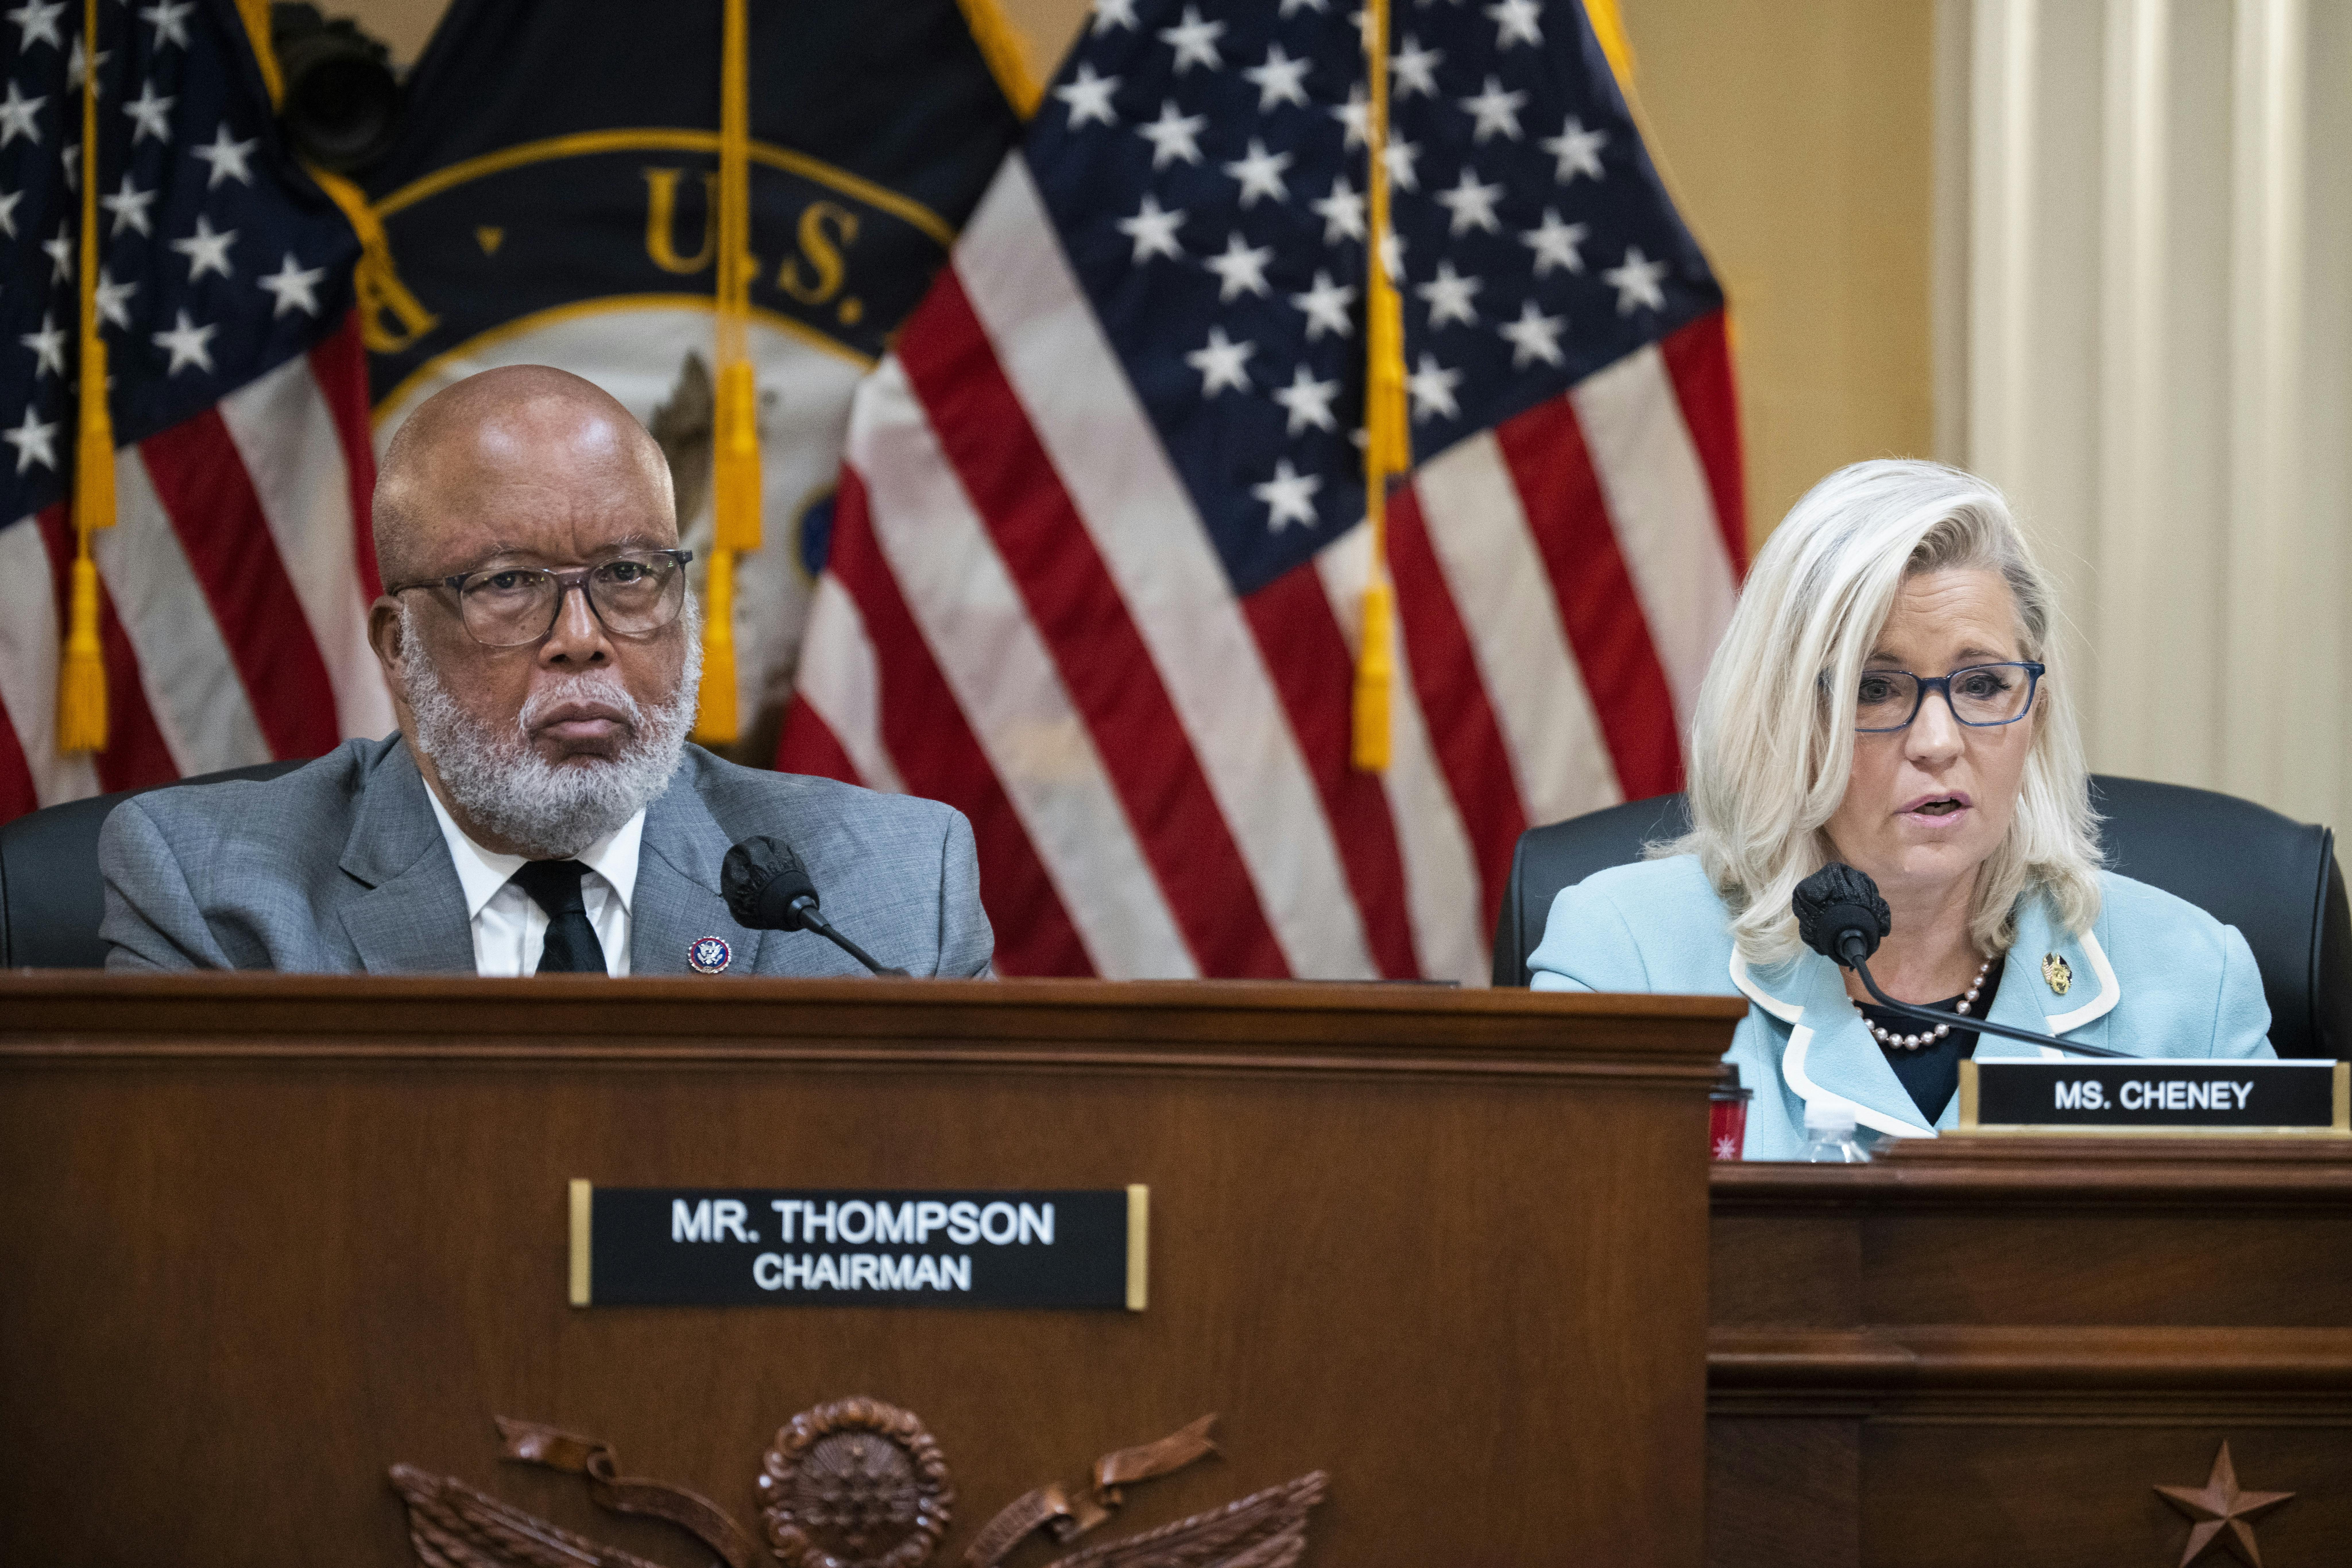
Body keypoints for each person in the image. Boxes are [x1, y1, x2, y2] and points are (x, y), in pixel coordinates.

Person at [100, 366, 994, 978]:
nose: (581, 639)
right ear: (399, 651)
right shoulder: (217, 900)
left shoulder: (892, 896)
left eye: (629, 575)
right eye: (508, 586)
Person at [1528, 460, 2271, 1157]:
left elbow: (2274, 1278)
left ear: (2035, 713)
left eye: (1982, 685)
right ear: (1786, 718)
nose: (1939, 743)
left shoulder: (2194, 985)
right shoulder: (1626, 958)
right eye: (1874, 689)